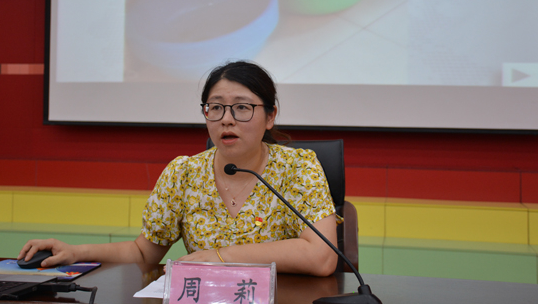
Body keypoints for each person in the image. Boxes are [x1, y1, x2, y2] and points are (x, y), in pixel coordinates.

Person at [18, 61, 338, 276]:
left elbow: (322, 257)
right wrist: (76, 252)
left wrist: (222, 256)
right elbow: (143, 253)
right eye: (215, 107)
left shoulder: (298, 167)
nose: (227, 119)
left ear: (270, 116)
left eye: (242, 107)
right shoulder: (183, 173)